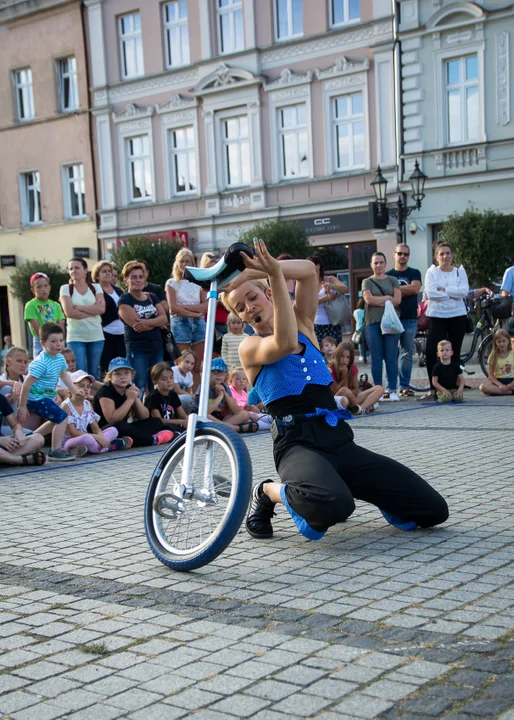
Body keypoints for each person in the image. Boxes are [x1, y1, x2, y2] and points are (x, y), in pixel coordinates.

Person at [222, 239, 448, 540]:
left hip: (337, 440)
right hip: (296, 445)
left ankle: (341, 484)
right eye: (240, 308)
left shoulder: (303, 323)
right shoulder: (250, 347)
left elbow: (306, 273)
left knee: (434, 509)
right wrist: (273, 274)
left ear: (266, 294)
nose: (249, 309)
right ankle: (268, 491)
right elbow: (285, 343)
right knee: (336, 505)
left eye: (252, 298)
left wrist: (259, 269)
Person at [17, 322, 81, 462]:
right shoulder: (41, 362)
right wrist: (22, 406)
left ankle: (30, 439)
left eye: (60, 340)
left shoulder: (59, 358)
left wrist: (75, 390)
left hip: (46, 397)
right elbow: (26, 385)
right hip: (35, 399)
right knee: (62, 417)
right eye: (53, 341)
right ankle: (55, 450)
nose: (58, 344)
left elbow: (64, 375)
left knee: (56, 419)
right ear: (43, 343)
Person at [423, 242, 469, 401]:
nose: (445, 256)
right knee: (431, 352)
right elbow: (431, 293)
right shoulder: (432, 272)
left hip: (458, 316)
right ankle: (433, 388)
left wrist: (444, 290)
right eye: (441, 254)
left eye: (448, 253)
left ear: (452, 255)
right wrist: (452, 294)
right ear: (436, 257)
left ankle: (455, 387)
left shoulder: (459, 272)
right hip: (437, 315)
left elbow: (464, 292)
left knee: (454, 353)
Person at [93, 358, 173, 447]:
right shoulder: (105, 391)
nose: (122, 377)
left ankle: (125, 441)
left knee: (155, 421)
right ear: (110, 376)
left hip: (123, 428)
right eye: (118, 374)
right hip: (104, 431)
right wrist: (130, 399)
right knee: (119, 425)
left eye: (126, 373)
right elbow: (112, 419)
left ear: (132, 375)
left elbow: (144, 416)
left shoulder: (129, 388)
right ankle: (151, 440)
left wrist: (135, 398)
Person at [117, 261, 168, 394]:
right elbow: (137, 326)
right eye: (133, 277)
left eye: (140, 276)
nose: (138, 280)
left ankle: (154, 412)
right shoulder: (125, 300)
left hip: (157, 347)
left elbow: (164, 319)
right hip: (138, 349)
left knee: (156, 384)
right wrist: (155, 321)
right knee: (139, 384)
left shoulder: (152, 296)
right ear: (125, 280)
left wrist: (147, 322)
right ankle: (136, 414)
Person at [362, 252, 402, 402]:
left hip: (391, 323)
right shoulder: (367, 282)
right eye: (375, 263)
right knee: (376, 358)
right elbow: (368, 299)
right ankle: (378, 390)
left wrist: (381, 300)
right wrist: (387, 299)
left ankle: (392, 390)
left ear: (385, 264)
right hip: (372, 323)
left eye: (381, 262)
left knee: (391, 358)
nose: (378, 265)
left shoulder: (393, 280)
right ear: (371, 265)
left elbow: (397, 300)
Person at [62, 370, 130, 456]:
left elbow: (96, 428)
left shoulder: (88, 404)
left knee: (113, 430)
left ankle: (90, 448)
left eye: (88, 386)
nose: (85, 389)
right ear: (69, 389)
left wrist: (100, 437)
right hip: (70, 440)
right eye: (81, 386)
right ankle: (108, 447)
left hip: (87, 438)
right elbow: (73, 433)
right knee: (87, 438)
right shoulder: (66, 406)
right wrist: (97, 437)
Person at [166, 248, 207, 389]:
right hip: (180, 324)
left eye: (187, 261)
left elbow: (206, 305)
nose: (184, 264)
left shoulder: (199, 282)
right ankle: (181, 395)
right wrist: (194, 312)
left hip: (198, 324)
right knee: (181, 365)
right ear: (177, 263)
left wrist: (186, 309)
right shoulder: (171, 283)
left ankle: (197, 397)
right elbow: (173, 307)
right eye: (181, 261)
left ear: (193, 263)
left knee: (196, 366)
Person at [59, 258, 105, 378]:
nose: (73, 270)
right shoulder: (66, 288)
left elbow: (101, 309)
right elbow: (69, 312)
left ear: (85, 270)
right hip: (76, 336)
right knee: (79, 373)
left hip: (96, 336)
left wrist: (78, 307)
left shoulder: (96, 288)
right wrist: (92, 310)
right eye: (71, 268)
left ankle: (93, 397)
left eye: (77, 268)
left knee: (94, 373)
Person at [386, 244, 422, 396]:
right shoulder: (387, 274)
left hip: (409, 318)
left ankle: (404, 386)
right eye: (399, 253)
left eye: (406, 254)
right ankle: (390, 387)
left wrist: (393, 290)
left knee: (407, 354)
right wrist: (404, 289)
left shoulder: (415, 272)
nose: (402, 256)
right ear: (394, 255)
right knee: (391, 354)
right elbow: (383, 291)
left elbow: (414, 289)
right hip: (391, 320)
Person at [192, 357, 261, 432]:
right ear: (208, 373)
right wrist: (220, 396)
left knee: (244, 414)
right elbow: (206, 411)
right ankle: (236, 429)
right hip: (202, 418)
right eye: (215, 372)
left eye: (221, 372)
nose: (218, 375)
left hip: (219, 419)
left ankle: (222, 427)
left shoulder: (225, 387)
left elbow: (236, 410)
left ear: (225, 375)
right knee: (206, 416)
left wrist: (224, 393)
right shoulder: (204, 387)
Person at [91, 261, 126, 377]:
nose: (107, 274)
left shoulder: (118, 290)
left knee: (122, 365)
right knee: (107, 367)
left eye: (109, 271)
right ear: (97, 275)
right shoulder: (94, 291)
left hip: (122, 332)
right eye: (104, 271)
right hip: (105, 332)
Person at [330, 342, 383, 414]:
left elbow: (356, 390)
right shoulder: (330, 369)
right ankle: (364, 406)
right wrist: (344, 376)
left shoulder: (353, 367)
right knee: (345, 391)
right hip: (338, 400)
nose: (344, 360)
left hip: (351, 398)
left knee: (379, 388)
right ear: (337, 356)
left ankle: (360, 409)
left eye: (347, 357)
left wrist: (351, 395)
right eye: (342, 356)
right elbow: (340, 392)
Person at [307, 255, 348, 346]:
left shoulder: (329, 279)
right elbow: (308, 303)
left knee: (334, 352)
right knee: (319, 353)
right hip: (316, 324)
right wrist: (326, 298)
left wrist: (331, 286)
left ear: (318, 266)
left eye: (310, 265)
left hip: (332, 322)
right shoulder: (307, 283)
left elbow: (344, 288)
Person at [24, 273, 65, 357]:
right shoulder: (31, 305)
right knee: (41, 365)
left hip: (56, 340)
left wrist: (60, 340)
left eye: (45, 286)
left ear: (49, 288)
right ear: (33, 290)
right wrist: (47, 341)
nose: (43, 289)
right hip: (41, 340)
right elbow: (37, 328)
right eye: (39, 287)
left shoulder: (56, 305)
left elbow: (61, 324)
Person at [0, 394, 46, 466]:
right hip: (2, 441)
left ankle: (6, 459)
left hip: (5, 445)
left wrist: (19, 433)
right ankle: (21, 460)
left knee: (38, 438)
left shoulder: (1, 398)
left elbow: (15, 424)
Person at [145, 362, 188, 432]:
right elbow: (159, 421)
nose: (169, 381)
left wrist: (187, 420)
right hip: (159, 429)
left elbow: (183, 415)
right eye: (164, 379)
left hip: (173, 425)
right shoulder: (153, 397)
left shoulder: (173, 394)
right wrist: (181, 422)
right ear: (155, 382)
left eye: (171, 378)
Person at [479, 329, 514, 396]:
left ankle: (500, 392)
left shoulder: (513, 354)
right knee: (482, 387)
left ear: (508, 341)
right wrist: (500, 385)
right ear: (495, 343)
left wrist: (512, 384)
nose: (501, 344)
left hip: (512, 381)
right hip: (498, 382)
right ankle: (509, 392)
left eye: (504, 341)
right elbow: (491, 376)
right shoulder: (493, 356)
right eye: (499, 342)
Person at [353, 297, 366, 363]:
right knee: (367, 342)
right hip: (366, 327)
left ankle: (362, 355)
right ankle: (368, 354)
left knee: (360, 342)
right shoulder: (366, 311)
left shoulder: (356, 311)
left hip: (358, 327)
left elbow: (355, 319)